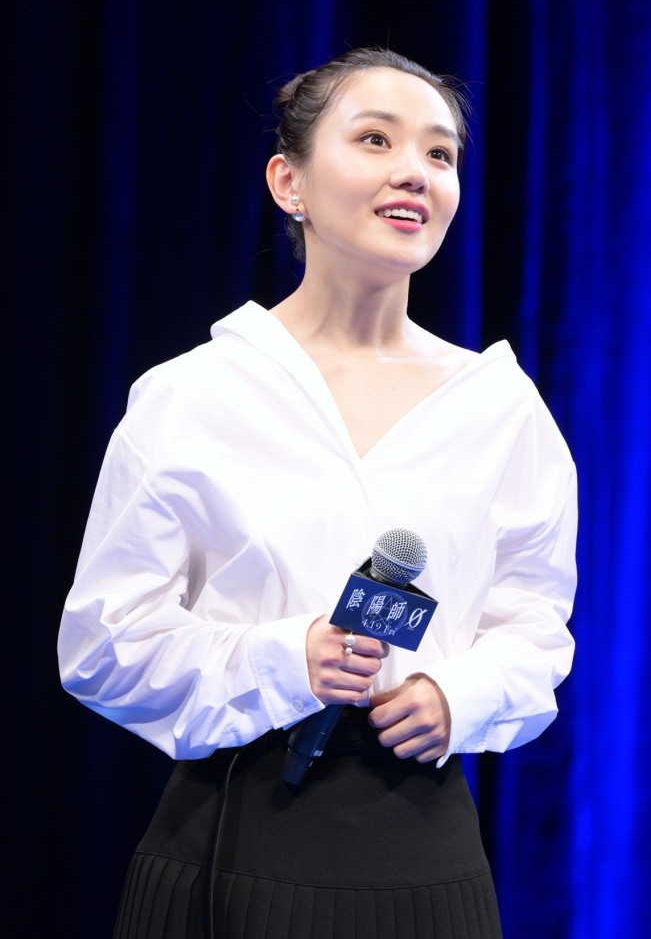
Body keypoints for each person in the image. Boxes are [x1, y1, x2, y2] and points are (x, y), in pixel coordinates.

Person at [58, 47, 577, 939]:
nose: (413, 170)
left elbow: (534, 626)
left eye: (440, 153)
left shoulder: (497, 406)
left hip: (420, 857)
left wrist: (457, 693)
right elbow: (102, 645)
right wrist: (281, 659)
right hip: (229, 842)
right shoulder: (193, 393)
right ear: (287, 181)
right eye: (375, 139)